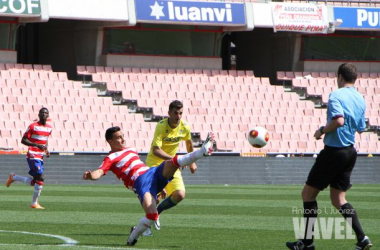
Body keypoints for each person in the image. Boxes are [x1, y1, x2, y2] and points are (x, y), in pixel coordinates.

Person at [286, 63, 372, 250]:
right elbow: (360, 128)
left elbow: (339, 120)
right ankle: (362, 239)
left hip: (334, 151)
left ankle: (307, 244)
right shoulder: (360, 98)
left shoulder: (336, 95)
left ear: (340, 77)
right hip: (350, 152)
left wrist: (322, 130)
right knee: (338, 200)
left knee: (307, 194)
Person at [82, 126, 214, 246]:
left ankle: (202, 151)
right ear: (110, 141)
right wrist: (90, 176)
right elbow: (99, 172)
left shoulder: (132, 150)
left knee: (173, 162)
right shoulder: (110, 158)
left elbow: (139, 166)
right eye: (119, 137)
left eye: (123, 136)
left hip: (150, 172)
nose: (123, 139)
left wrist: (158, 185)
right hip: (140, 182)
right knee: (152, 215)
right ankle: (133, 235)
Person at [143, 100, 197, 236]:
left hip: (172, 163)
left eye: (180, 113)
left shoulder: (184, 127)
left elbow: (189, 143)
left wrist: (192, 162)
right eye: (175, 113)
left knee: (179, 195)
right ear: (169, 113)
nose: (178, 116)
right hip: (155, 162)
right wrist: (174, 160)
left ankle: (157, 211)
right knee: (154, 197)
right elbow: (156, 150)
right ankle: (146, 227)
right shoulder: (161, 126)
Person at [5, 107, 52, 210]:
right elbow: (23, 140)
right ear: (39, 115)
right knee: (41, 176)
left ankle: (14, 177)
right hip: (32, 154)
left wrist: (46, 149)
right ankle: (34, 203)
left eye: (45, 113)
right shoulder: (32, 126)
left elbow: (45, 140)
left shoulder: (49, 128)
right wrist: (36, 145)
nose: (44, 114)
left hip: (40, 155)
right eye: (42, 113)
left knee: (35, 182)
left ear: (48, 116)